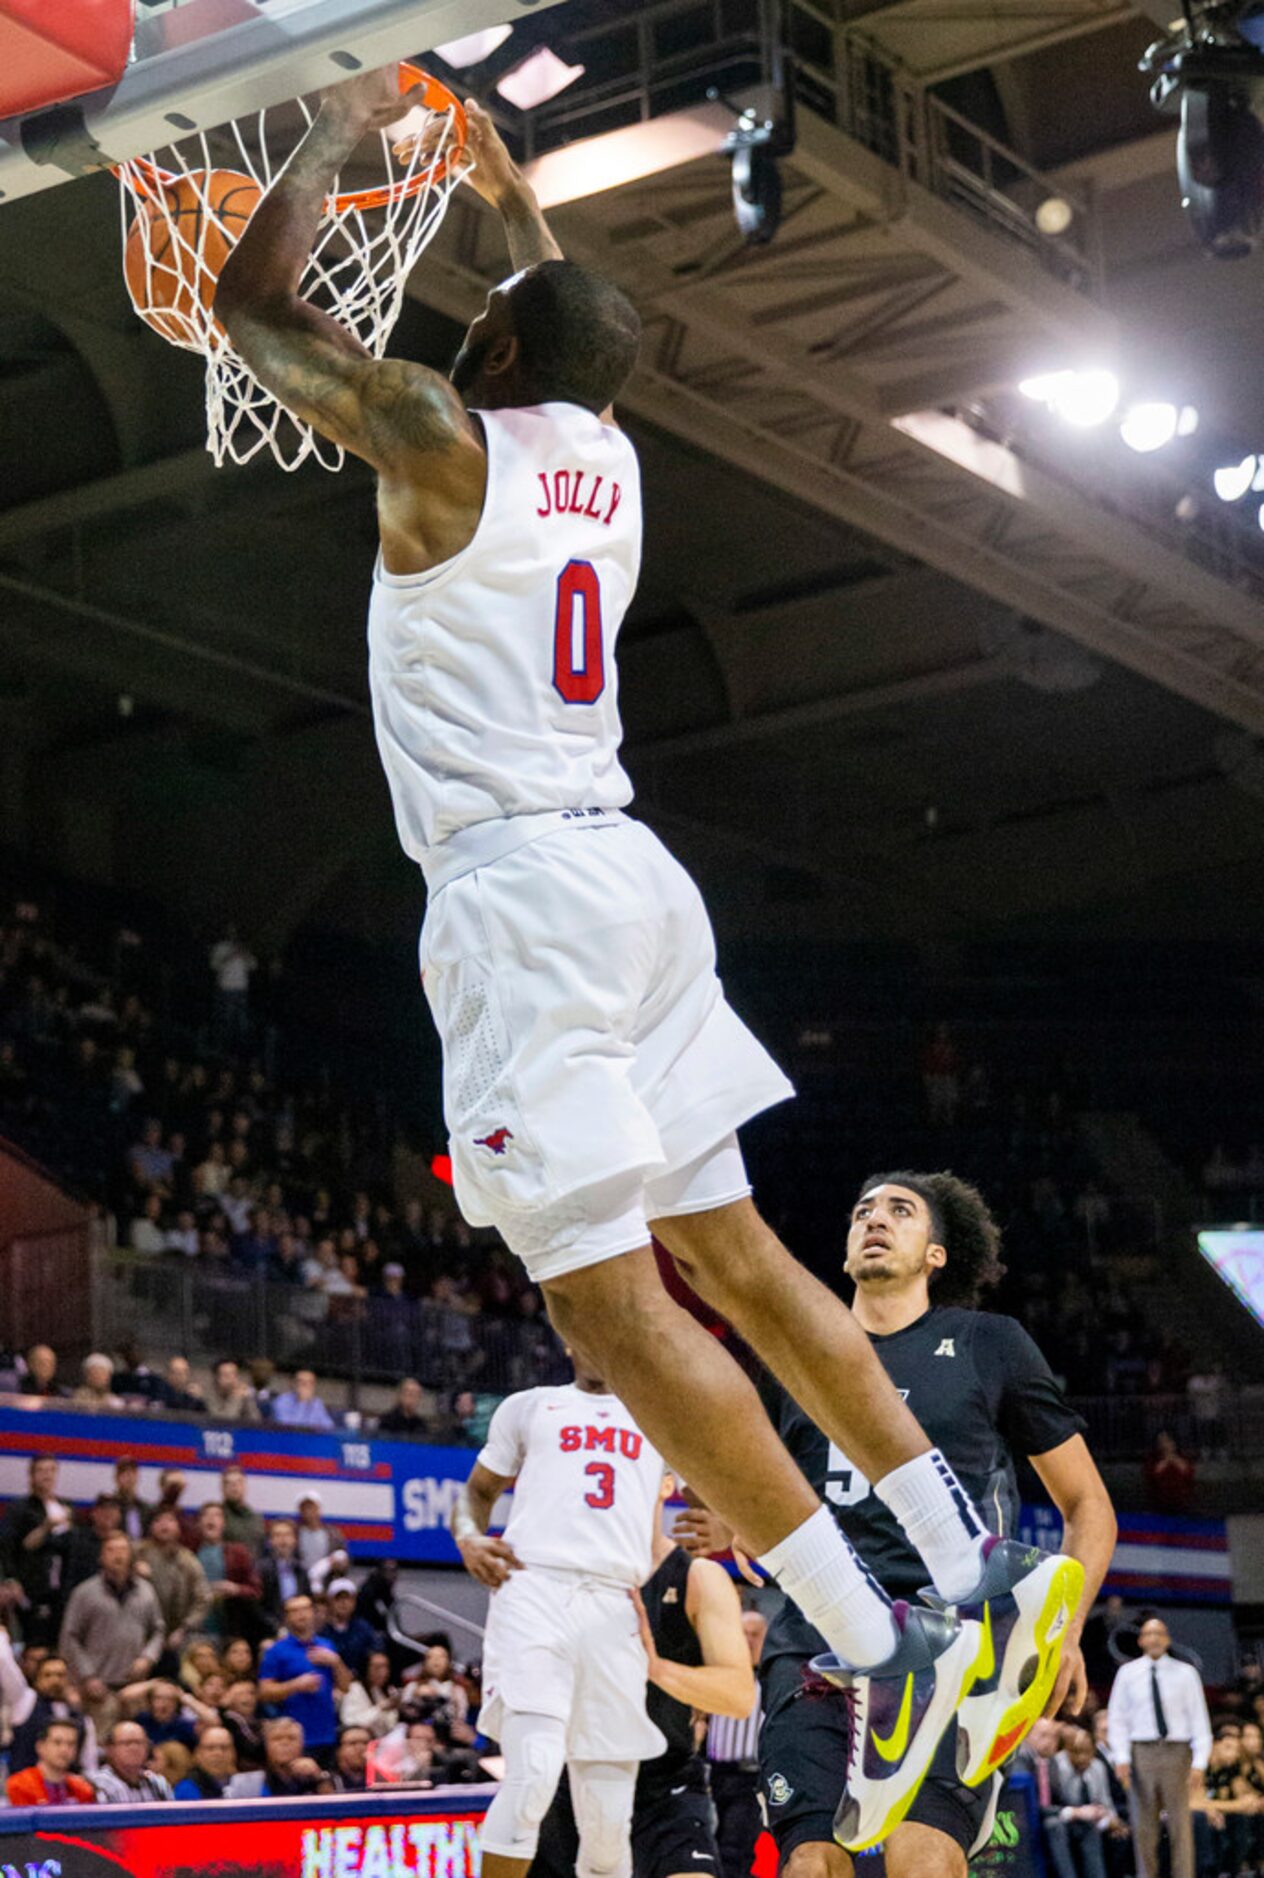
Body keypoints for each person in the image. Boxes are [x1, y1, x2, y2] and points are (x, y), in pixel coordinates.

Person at [216, 69, 1078, 1836]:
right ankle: (956, 1568)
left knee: (607, 1304)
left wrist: (330, 144)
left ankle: (859, 1637)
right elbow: (564, 319)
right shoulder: (597, 447)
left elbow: (250, 310)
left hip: (524, 898)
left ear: (493, 358)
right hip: (627, 874)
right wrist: (507, 192)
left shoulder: (443, 444)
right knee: (747, 1259)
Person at [680, 1172, 1116, 1863]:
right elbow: (765, 1507)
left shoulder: (988, 1342)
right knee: (810, 1860)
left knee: (922, 1852)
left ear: (937, 1253)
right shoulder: (789, 1357)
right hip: (817, 1637)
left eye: (899, 1211)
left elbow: (1088, 1504)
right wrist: (729, 1529)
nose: (874, 1219)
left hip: (959, 1633)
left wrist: (1059, 1633)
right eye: (862, 1211)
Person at [451, 1352, 667, 1878]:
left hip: (616, 1602)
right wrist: (467, 1537)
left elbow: (716, 1489)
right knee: (533, 1776)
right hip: (533, 1588)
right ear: (569, 1340)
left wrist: (730, 1529)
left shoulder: (663, 1412)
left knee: (610, 1818)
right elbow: (477, 1492)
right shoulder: (530, 1407)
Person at [532, 1469, 755, 1878]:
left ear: (666, 1484)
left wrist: (656, 1669)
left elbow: (739, 1696)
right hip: (574, 1780)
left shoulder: (698, 1577)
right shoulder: (566, 1575)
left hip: (664, 1786)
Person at [1107, 1615, 1212, 1878]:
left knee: (1181, 1826)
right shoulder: (1127, 1673)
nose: (1154, 1638)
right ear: (1141, 1640)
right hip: (1141, 1752)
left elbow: (1200, 1721)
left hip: (1177, 1752)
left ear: (1167, 1639)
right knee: (1144, 1827)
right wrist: (1120, 1757)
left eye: (1159, 1633)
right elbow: (1117, 1719)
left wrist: (1200, 1763)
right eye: (1149, 1634)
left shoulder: (1186, 1673)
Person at [59, 1532, 165, 1733]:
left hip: (134, 1687)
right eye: (111, 1550)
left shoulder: (146, 1591)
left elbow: (158, 1630)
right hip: (98, 1688)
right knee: (100, 1745)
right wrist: (87, 1675)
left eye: (123, 1549)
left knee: (135, 1745)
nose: (118, 1555)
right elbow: (70, 1636)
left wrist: (148, 1658)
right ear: (101, 1556)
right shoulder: (84, 1593)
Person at [705, 1612, 768, 1878]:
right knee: (709, 1847)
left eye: (755, 1634)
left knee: (736, 1849)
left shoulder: (771, 1679)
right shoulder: (717, 1674)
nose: (748, 1640)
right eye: (743, 1633)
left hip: (749, 1777)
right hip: (714, 1775)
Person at [258, 1591, 348, 1764]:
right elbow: (264, 1692)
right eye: (294, 1611)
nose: (301, 1615)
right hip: (293, 1737)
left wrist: (336, 1662)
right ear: (286, 1617)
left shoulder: (326, 1645)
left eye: (305, 1609)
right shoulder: (276, 1651)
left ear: (313, 1612)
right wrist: (295, 1685)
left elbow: (345, 1687)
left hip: (327, 1733)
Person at [0, 1455, 74, 1646]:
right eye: (41, 1471)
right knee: (32, 1642)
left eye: (51, 1470)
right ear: (31, 1476)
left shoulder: (66, 1507)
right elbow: (9, 1546)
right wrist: (10, 1578)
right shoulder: (19, 1509)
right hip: (30, 1587)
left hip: (60, 1590)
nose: (47, 1475)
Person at [1044, 1726, 1126, 1878]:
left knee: (1118, 1834)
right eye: (1076, 1752)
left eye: (1087, 1752)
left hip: (1091, 1821)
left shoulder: (1098, 1767)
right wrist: (1079, 1813)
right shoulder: (1056, 1766)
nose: (1082, 1757)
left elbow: (1105, 1801)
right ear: (1066, 1750)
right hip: (1064, 1818)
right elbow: (1052, 1803)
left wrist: (1112, 1820)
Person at [138, 1507, 211, 1666]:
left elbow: (204, 1598)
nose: (164, 1525)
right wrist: (133, 1573)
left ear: (178, 1527)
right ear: (150, 1526)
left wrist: (184, 1628)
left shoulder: (188, 1560)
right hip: (140, 1636)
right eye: (158, 1520)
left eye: (170, 1520)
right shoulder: (137, 1552)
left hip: (176, 1637)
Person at [7, 1651, 97, 1775]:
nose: (55, 1680)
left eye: (60, 1675)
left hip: (67, 1789)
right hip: (25, 1788)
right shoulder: (25, 1702)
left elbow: (89, 1765)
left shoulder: (82, 1719)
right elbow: (3, 1663)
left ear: (69, 1679)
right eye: (47, 1675)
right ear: (37, 1679)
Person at [195, 1500, 262, 1638]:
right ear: (199, 1523)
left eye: (217, 1515)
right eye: (206, 1515)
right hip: (195, 1630)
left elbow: (256, 1591)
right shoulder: (189, 1553)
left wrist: (235, 1589)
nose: (211, 1519)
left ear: (224, 1524)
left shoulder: (238, 1553)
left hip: (229, 1630)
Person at [226, 1715, 325, 1797]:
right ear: (266, 1745)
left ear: (302, 1744)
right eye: (277, 1739)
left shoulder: (317, 1778)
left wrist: (319, 1778)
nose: (284, 1743)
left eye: (291, 1738)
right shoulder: (244, 1784)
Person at [5, 1718, 95, 1805]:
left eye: (71, 1744)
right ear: (40, 1746)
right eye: (57, 1742)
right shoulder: (19, 1786)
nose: (64, 1749)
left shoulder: (83, 1790)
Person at [89, 1717, 176, 1803]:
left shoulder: (157, 1784)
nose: (134, 1748)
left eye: (139, 1742)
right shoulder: (99, 1785)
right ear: (110, 1749)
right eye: (127, 1743)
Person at [319, 1578, 381, 1682]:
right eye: (338, 1598)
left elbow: (377, 1648)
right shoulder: (321, 1630)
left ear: (354, 1602)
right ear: (330, 1602)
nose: (343, 1603)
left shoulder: (363, 1628)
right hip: (328, 1682)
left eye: (348, 1598)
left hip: (358, 1682)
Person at [258, 1518, 312, 1629]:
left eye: (287, 1535)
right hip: (269, 1630)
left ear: (294, 1540)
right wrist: (276, 1628)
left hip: (299, 1628)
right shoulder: (261, 1570)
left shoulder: (301, 1569)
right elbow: (258, 1608)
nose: (283, 1540)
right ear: (270, 1541)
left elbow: (307, 1600)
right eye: (278, 1535)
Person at [341, 1649, 403, 1737]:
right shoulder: (354, 1689)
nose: (383, 1672)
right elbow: (350, 1721)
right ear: (365, 1668)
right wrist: (380, 1708)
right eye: (377, 1667)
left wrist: (394, 1708)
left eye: (386, 1667)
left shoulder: (384, 1690)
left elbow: (390, 1726)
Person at [174, 1723, 237, 1799]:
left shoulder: (243, 1784)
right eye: (210, 1748)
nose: (218, 1754)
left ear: (234, 1753)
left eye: (224, 1748)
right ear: (198, 1754)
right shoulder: (187, 1788)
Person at [295, 1490, 347, 1572]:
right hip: (301, 1582)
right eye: (305, 1507)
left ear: (319, 1509)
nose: (308, 1511)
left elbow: (345, 1559)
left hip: (326, 1581)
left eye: (311, 1507)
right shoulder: (293, 1534)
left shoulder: (333, 1534)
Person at [220, 1465, 266, 1556]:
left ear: (245, 1487)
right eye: (229, 1483)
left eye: (238, 1482)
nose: (234, 1487)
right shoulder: (218, 1517)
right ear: (222, 1489)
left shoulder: (256, 1518)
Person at [271, 1368, 336, 1431]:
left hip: (310, 1440)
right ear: (293, 1384)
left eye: (310, 1382)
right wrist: (302, 1402)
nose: (306, 1385)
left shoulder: (317, 1403)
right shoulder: (282, 1401)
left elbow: (329, 1426)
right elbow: (287, 1426)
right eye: (301, 1381)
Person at [331, 1723, 372, 1793]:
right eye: (353, 1743)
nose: (360, 1748)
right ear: (339, 1750)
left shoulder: (381, 1782)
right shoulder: (328, 1783)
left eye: (365, 1743)